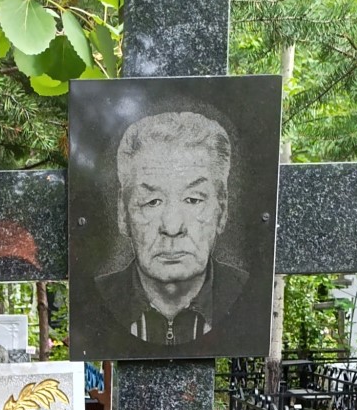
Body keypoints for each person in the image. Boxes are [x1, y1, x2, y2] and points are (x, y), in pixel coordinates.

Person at [87, 111, 247, 352]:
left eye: (193, 200)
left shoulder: (247, 296)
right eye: (152, 202)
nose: (172, 227)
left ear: (222, 209)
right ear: (123, 213)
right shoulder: (95, 299)